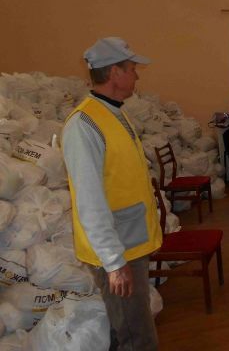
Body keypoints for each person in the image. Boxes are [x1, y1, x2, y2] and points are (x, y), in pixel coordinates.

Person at [62, 37, 162, 350]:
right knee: (137, 337)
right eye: (132, 69)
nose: (137, 75)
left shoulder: (116, 113)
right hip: (119, 251)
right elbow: (89, 200)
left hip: (130, 242)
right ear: (115, 72)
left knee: (131, 329)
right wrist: (114, 263)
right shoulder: (85, 124)